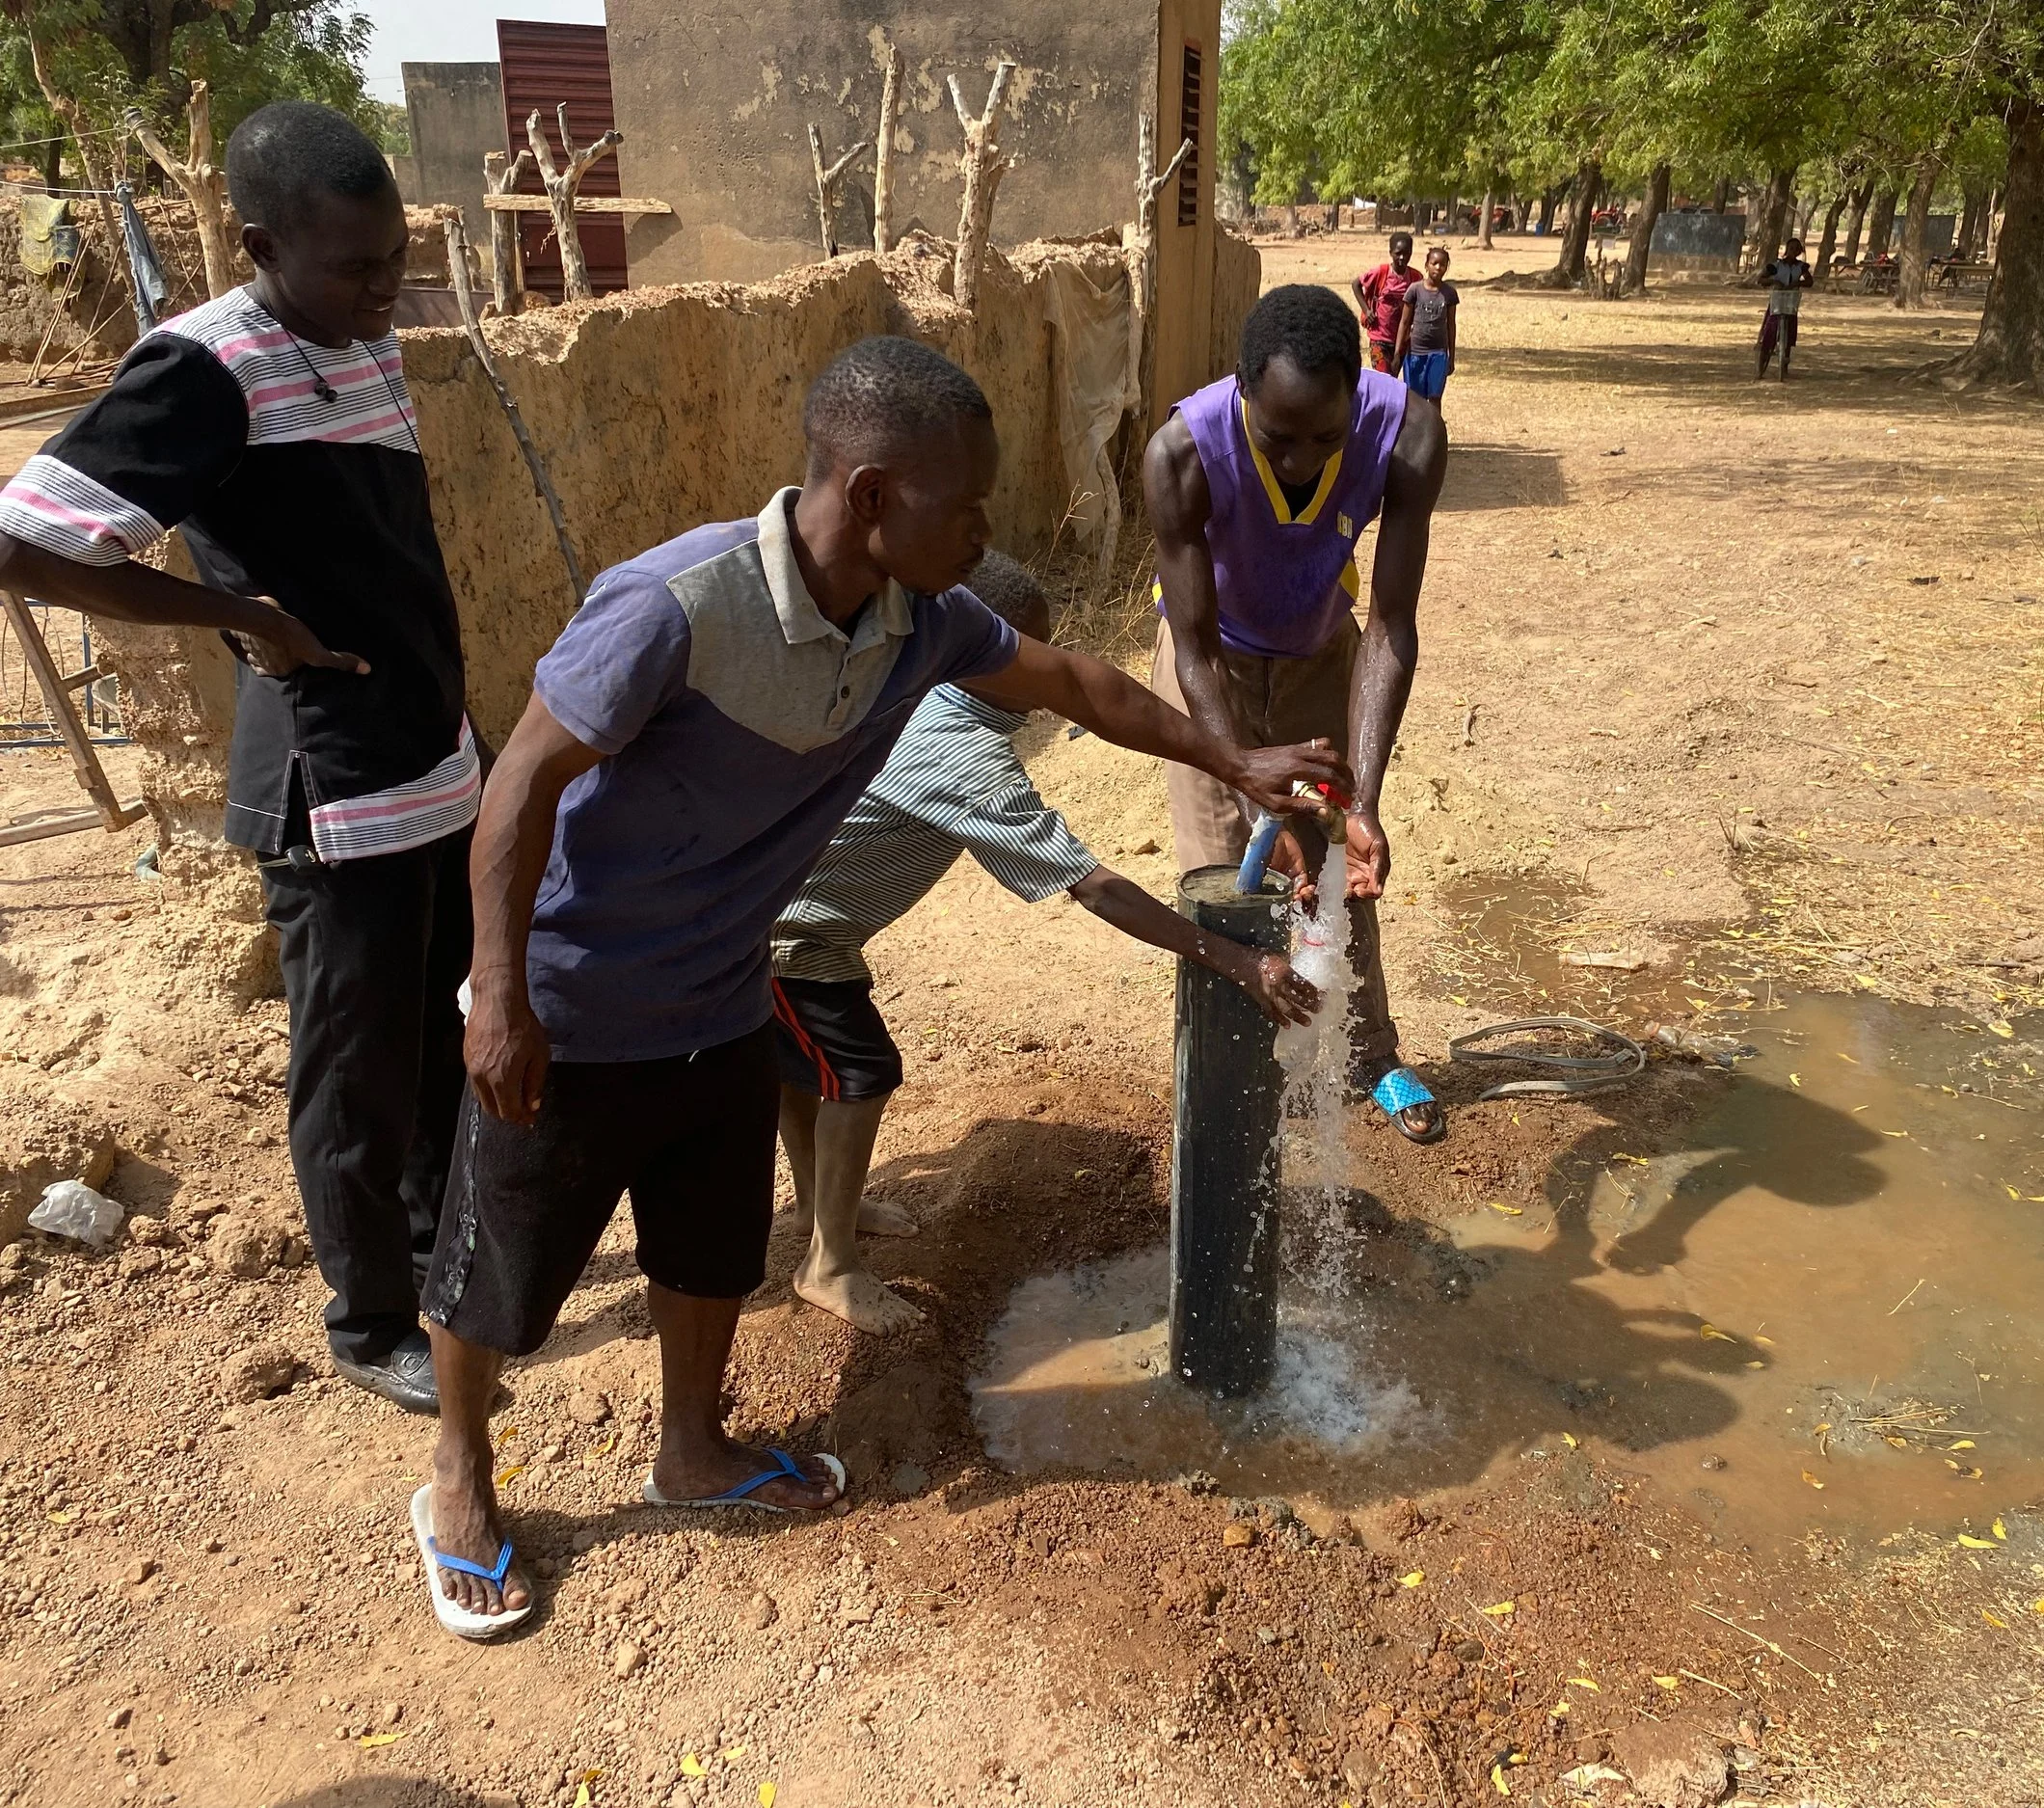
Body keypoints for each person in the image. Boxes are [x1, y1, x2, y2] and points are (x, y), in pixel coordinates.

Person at [416, 335, 1346, 1636]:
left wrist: (1229, 756)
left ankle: (693, 1447)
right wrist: (502, 995)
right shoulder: (676, 605)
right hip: (579, 997)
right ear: (867, 496)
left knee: (709, 1250)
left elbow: (1075, 679)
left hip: (728, 994)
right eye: (961, 505)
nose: (982, 529)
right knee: (501, 1269)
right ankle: (460, 1470)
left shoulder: (924, 621)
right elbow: (518, 783)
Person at [0, 103, 471, 1416]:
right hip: (335, 785)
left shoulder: (357, 343)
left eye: (393, 260)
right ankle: (371, 1315)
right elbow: (24, 540)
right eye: (355, 267)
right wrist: (236, 614)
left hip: (428, 757)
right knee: (353, 1065)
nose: (385, 290)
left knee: (431, 1034)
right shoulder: (204, 366)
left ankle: (441, 1260)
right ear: (260, 246)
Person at [772, 549, 1322, 1336]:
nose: (1037, 674)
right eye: (1021, 657)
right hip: (786, 936)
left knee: (809, 1070)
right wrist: (1236, 957)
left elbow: (1104, 702)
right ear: (980, 653)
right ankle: (827, 1263)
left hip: (807, 926)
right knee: (858, 1073)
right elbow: (1091, 884)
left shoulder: (927, 696)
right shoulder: (963, 756)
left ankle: (826, 1206)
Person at [1145, 284, 1448, 1145]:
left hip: (1323, 651)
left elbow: (1391, 624)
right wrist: (1252, 797)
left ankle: (1370, 1054)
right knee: (1231, 886)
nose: (1303, 462)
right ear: (1241, 392)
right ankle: (1234, 1075)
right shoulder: (1182, 454)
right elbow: (1196, 650)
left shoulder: (1409, 436)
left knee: (1340, 881)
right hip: (1213, 670)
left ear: (1358, 398)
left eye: (1327, 437)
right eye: (1280, 439)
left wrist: (1363, 802)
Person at [1399, 246, 1459, 407]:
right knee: (1414, 400)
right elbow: (1404, 323)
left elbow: (1451, 326)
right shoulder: (1415, 290)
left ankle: (1433, 431)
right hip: (1415, 353)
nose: (1438, 268)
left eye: (1443, 264)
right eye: (1434, 263)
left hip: (1438, 354)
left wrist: (1451, 357)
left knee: (1434, 398)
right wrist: (1399, 353)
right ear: (1426, 265)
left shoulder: (1450, 293)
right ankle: (1414, 432)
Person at [1351, 232, 1417, 376]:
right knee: (1383, 379)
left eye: (1406, 254)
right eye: (1397, 253)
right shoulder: (1381, 272)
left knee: (1393, 380)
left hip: (1402, 341)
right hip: (1379, 338)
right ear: (1390, 253)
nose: (1402, 258)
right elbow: (1356, 284)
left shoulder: (1415, 277)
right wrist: (1367, 310)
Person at [1757, 236, 1813, 381]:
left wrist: (1797, 284)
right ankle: (1761, 368)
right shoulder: (1776, 266)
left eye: (1796, 249)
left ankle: (1784, 366)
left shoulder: (1801, 267)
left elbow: (1809, 281)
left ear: (1799, 251)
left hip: (1790, 303)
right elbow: (1761, 279)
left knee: (1789, 335)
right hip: (1777, 303)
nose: (1793, 251)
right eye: (1791, 248)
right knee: (1769, 333)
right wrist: (1773, 281)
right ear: (1787, 250)